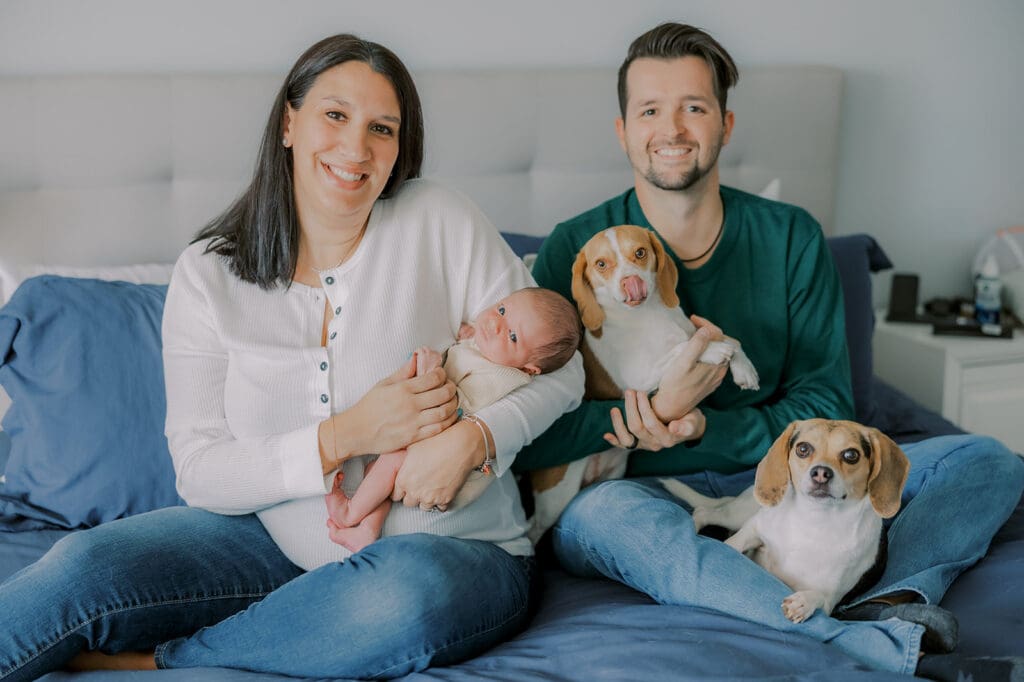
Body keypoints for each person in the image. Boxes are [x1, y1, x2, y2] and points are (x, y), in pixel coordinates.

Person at [0, 34, 584, 681]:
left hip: (455, 551)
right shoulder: (208, 273)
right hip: (269, 543)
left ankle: (162, 662)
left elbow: (566, 369)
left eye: (381, 128)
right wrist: (348, 435)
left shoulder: (437, 218)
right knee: (83, 566)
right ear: (288, 121)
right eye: (335, 115)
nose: (356, 149)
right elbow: (199, 469)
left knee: (403, 599)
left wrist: (476, 436)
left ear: (399, 147)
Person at [517, 22, 1024, 682]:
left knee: (987, 462)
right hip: (632, 491)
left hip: (799, 487)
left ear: (725, 124)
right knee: (627, 531)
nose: (671, 129)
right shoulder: (573, 250)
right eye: (650, 110)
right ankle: (875, 640)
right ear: (623, 130)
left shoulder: (790, 238)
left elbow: (827, 402)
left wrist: (705, 425)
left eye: (693, 108)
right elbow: (531, 429)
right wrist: (650, 418)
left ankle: (876, 597)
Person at [325, 286, 582, 552]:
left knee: (391, 460)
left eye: (513, 336)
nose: (494, 324)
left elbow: (459, 408)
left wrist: (430, 373)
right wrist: (472, 337)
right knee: (377, 471)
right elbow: (474, 355)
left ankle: (349, 513)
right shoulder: (494, 354)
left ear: (528, 368)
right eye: (501, 310)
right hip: (433, 440)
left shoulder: (502, 377)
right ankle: (367, 531)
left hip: (452, 473)